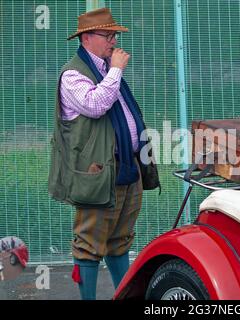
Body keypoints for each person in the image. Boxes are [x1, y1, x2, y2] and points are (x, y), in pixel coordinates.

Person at [48, 8, 159, 300]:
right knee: (89, 244)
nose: (113, 41)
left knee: (120, 241)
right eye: (107, 35)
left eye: (114, 35)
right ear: (87, 38)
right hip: (97, 174)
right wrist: (117, 70)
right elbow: (95, 104)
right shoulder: (74, 73)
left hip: (126, 168)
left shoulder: (106, 69)